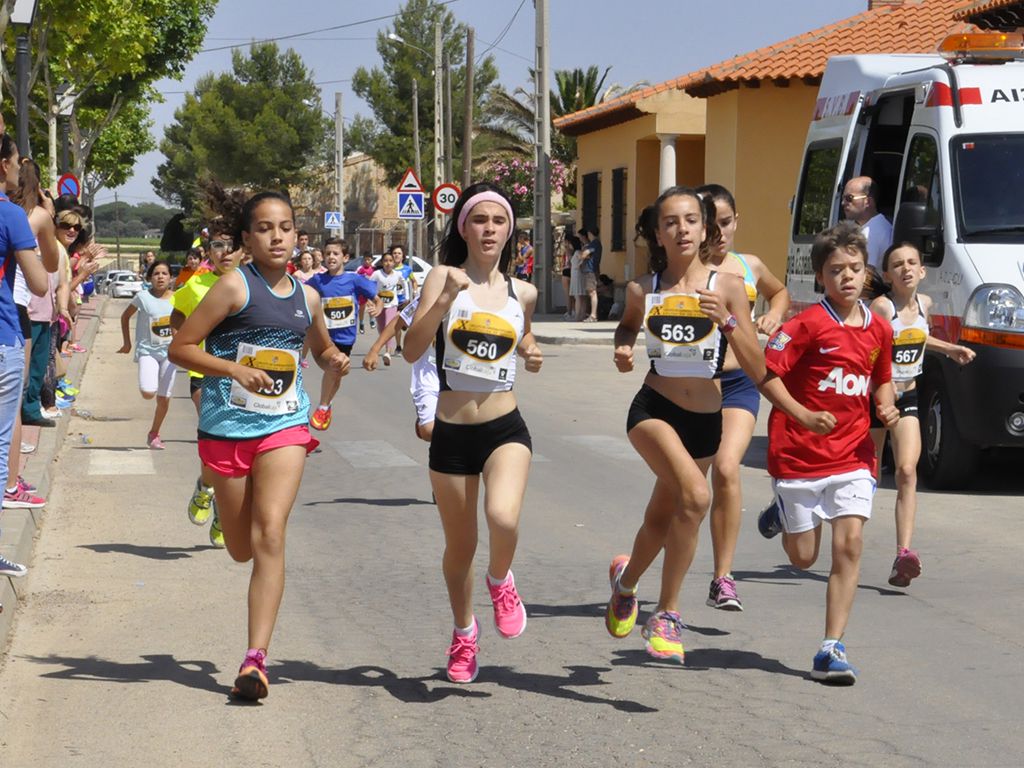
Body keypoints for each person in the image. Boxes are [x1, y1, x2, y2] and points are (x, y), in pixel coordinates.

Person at [168, 191, 348, 701]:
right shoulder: (233, 286)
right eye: (265, 228)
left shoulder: (307, 298)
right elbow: (180, 348)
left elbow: (320, 348)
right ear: (248, 238)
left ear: (297, 235)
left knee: (270, 533)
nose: (277, 237)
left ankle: (255, 660)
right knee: (241, 550)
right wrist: (234, 370)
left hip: (283, 426)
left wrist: (334, 360)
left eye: (285, 227)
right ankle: (221, 505)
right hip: (226, 429)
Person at [605, 187, 765, 664]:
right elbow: (628, 324)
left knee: (661, 519)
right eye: (671, 222)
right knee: (696, 497)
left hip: (705, 423)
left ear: (704, 227)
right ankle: (667, 614)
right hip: (654, 411)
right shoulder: (643, 288)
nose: (682, 230)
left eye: (691, 220)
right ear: (658, 233)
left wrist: (728, 322)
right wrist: (623, 346)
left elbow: (756, 364)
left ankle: (625, 583)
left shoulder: (728, 286)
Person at [402, 182, 543, 684]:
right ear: (463, 228)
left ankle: (501, 579)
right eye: (480, 220)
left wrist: (531, 351)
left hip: (505, 427)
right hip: (452, 433)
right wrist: (444, 300)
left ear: (509, 230)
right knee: (459, 548)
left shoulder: (523, 291)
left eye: (499, 221)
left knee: (503, 516)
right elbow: (412, 348)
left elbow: (521, 334)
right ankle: (464, 632)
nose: (489, 229)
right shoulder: (443, 276)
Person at [757, 222, 898, 685]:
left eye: (855, 268)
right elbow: (767, 375)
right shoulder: (804, 326)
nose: (847, 277)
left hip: (853, 455)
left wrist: (886, 404)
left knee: (849, 545)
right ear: (821, 276)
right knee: (802, 558)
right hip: (799, 456)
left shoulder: (880, 328)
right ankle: (782, 512)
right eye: (836, 270)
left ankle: (830, 647)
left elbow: (881, 378)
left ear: (867, 271)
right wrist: (802, 415)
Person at [695, 184, 791, 611]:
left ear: (737, 221)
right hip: (695, 385)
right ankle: (636, 571)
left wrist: (774, 314)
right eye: (710, 224)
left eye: (726, 222)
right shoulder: (690, 272)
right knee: (685, 490)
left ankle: (723, 577)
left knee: (727, 468)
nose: (719, 233)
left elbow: (779, 292)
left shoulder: (748, 265)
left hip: (740, 383)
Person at [869, 243, 975, 588]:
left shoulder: (925, 304)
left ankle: (903, 554)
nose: (906, 269)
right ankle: (807, 517)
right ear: (887, 275)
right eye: (898, 264)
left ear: (922, 271)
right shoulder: (882, 307)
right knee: (866, 479)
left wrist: (950, 349)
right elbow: (868, 351)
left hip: (909, 397)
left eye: (912, 262)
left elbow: (918, 338)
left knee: (906, 471)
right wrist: (882, 389)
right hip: (875, 398)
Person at [170, 228, 242, 547]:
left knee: (239, 448)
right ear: (209, 251)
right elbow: (176, 315)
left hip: (245, 377)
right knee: (217, 438)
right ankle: (206, 489)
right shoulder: (196, 285)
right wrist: (187, 341)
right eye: (218, 245)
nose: (225, 251)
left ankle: (222, 511)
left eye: (232, 245)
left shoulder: (253, 285)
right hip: (205, 374)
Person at [0, 133, 49, 561]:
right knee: (0, 445)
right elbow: (38, 283)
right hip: (3, 338)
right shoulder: (11, 214)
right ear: (3, 166)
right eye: (16, 163)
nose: (18, 170)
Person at [306, 237, 381, 430]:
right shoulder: (318, 280)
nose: (331, 257)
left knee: (337, 372)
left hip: (346, 338)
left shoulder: (354, 279)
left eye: (335, 253)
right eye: (327, 253)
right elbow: (301, 293)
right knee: (334, 366)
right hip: (325, 337)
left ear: (345, 258)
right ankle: (322, 406)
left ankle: (326, 404)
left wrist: (378, 307)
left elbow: (377, 298)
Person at [118, 261, 177, 449]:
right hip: (147, 351)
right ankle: (150, 384)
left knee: (164, 398)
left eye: (164, 273)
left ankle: (154, 434)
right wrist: (127, 343)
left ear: (171, 278)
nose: (160, 277)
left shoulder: (178, 298)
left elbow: (184, 322)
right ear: (150, 278)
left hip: (169, 354)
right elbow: (125, 316)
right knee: (148, 393)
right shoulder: (143, 297)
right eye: (156, 273)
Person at [364, 294, 438, 442]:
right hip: (430, 375)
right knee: (429, 430)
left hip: (461, 378)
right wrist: (375, 349)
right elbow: (400, 320)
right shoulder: (431, 294)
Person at [842, 176, 892, 271]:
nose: (843, 203)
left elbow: (866, 274)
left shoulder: (873, 232)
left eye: (849, 198)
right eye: (843, 198)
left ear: (868, 201)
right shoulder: (876, 225)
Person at [369, 250, 404, 366]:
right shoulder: (377, 274)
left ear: (394, 263)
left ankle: (388, 353)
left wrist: (406, 298)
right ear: (382, 262)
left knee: (388, 326)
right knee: (381, 328)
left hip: (392, 305)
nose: (388, 263)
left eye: (390, 261)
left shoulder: (397, 274)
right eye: (385, 261)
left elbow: (404, 285)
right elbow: (368, 287)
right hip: (379, 305)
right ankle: (385, 346)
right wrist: (370, 301)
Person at [577, 228, 601, 322]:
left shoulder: (594, 243)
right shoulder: (596, 243)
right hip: (592, 269)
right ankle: (592, 314)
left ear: (590, 233)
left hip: (591, 270)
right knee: (591, 292)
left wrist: (580, 256)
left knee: (592, 292)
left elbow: (585, 254)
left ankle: (593, 315)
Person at [356, 253, 376, 333]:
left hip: (370, 290)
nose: (367, 261)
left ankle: (372, 319)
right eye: (365, 260)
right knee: (362, 308)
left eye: (369, 260)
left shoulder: (374, 269)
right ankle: (361, 323)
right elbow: (356, 277)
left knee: (371, 305)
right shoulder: (360, 269)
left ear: (372, 260)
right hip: (362, 291)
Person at [560, 235, 576, 320]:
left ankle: (569, 311)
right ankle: (573, 310)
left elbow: (568, 261)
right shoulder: (576, 249)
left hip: (567, 271)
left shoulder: (568, 249)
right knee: (573, 293)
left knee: (567, 293)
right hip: (573, 271)